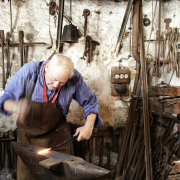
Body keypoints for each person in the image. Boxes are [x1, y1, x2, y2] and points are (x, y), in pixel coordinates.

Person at [0, 54, 104, 180]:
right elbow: (4, 101)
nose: (55, 85)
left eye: (61, 82)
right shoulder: (29, 72)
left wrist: (89, 125)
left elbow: (91, 102)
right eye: (53, 79)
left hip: (58, 139)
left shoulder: (74, 77)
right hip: (28, 142)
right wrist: (15, 106)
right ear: (47, 66)